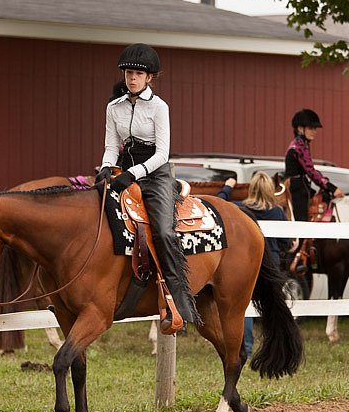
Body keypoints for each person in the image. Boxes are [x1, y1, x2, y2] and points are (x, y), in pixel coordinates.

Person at [96, 43, 199, 332]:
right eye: (129, 73)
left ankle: (180, 303)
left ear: (149, 78)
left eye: (138, 74)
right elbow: (109, 146)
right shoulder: (113, 108)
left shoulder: (159, 107)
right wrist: (106, 168)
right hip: (123, 171)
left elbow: (162, 153)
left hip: (155, 175)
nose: (132, 78)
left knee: (164, 232)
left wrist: (132, 173)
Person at [217, 173, 293, 357]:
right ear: (269, 190)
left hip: (243, 262)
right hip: (271, 264)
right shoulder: (277, 212)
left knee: (242, 305)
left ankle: (246, 346)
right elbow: (286, 243)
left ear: (252, 189)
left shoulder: (240, 208)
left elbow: (217, 203)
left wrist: (228, 187)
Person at [284, 109, 344, 222]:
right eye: (311, 128)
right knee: (302, 223)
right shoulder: (299, 146)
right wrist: (332, 188)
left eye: (315, 128)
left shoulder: (300, 144)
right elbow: (311, 171)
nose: (314, 131)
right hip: (297, 190)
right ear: (300, 129)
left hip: (299, 186)